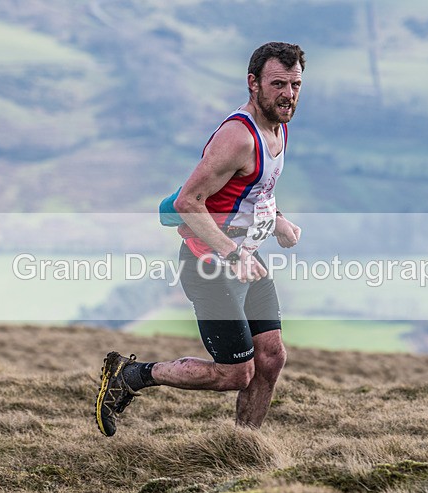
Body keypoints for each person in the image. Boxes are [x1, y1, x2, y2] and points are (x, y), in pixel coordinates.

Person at [95, 42, 305, 436]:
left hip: (245, 259)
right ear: (253, 83)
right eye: (278, 84)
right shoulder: (238, 137)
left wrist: (277, 221)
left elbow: (253, 190)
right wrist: (232, 254)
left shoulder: (278, 128)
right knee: (235, 373)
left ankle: (244, 448)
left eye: (295, 85)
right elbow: (187, 201)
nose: (288, 94)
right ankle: (132, 375)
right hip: (210, 263)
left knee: (271, 358)